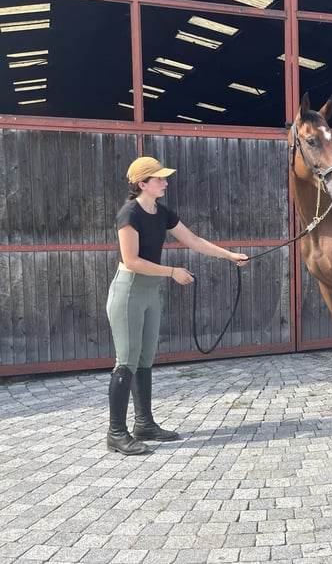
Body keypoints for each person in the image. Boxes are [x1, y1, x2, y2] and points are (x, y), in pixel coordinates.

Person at [106, 156, 249, 455]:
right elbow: (131, 261)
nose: (165, 182)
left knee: (145, 359)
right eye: (159, 178)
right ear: (142, 184)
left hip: (149, 292)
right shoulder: (129, 214)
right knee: (127, 361)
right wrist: (172, 272)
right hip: (129, 291)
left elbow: (194, 240)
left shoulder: (161, 212)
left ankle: (144, 423)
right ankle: (116, 433)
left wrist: (230, 255)